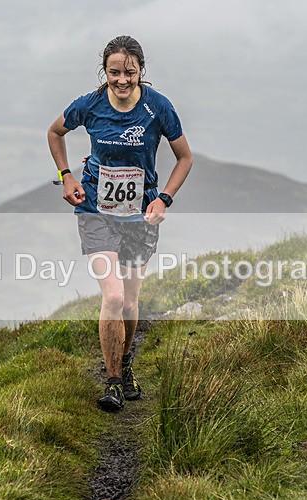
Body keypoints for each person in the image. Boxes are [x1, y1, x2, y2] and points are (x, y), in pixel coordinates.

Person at [47, 35, 192, 412]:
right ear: (105, 72)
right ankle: (112, 382)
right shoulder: (90, 105)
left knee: (129, 300)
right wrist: (66, 175)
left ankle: (125, 366)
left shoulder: (159, 108)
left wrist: (164, 199)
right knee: (112, 296)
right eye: (114, 72)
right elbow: (55, 132)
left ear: (141, 70)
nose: (122, 80)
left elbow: (184, 158)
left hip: (139, 215)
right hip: (95, 208)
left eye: (129, 72)